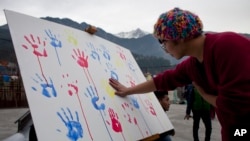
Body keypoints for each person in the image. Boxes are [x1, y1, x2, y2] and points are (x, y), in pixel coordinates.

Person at [109, 7, 250, 141]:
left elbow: (236, 105)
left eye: (163, 42)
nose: (164, 49)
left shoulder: (227, 45)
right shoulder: (193, 64)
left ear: (178, 37)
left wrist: (205, 95)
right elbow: (164, 80)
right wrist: (128, 90)